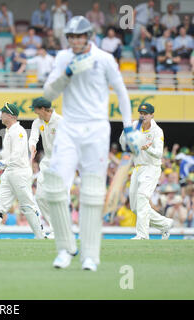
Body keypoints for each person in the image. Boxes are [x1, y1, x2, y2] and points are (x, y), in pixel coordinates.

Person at [42, 16, 141, 271]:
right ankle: (65, 249)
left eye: (79, 37)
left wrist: (128, 127)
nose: (75, 41)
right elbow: (47, 95)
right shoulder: (63, 58)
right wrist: (67, 74)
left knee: (93, 193)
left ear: (89, 37)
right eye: (71, 37)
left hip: (96, 129)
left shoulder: (105, 59)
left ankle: (90, 256)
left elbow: (121, 92)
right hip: (69, 128)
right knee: (53, 185)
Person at [0, 103, 46, 240]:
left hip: (19, 172)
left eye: (3, 113)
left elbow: (16, 155)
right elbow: (7, 153)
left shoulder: (19, 131)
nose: (0, 115)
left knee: (27, 205)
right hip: (10, 172)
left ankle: (41, 235)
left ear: (10, 115)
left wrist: (0, 164)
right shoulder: (10, 131)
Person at [119, 103, 174, 239]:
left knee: (143, 197)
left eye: (145, 114)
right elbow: (122, 143)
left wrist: (147, 148)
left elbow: (159, 153)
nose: (142, 116)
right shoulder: (134, 126)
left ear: (152, 115)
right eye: (141, 113)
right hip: (137, 168)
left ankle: (142, 235)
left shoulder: (157, 131)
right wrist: (126, 132)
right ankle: (165, 224)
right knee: (136, 207)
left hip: (151, 167)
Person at [29, 97, 62, 237]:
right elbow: (34, 137)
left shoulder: (60, 122)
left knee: (56, 197)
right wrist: (32, 147)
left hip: (61, 162)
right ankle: (55, 229)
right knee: (40, 197)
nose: (35, 113)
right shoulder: (38, 122)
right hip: (47, 161)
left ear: (43, 109)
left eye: (36, 110)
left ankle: (60, 230)